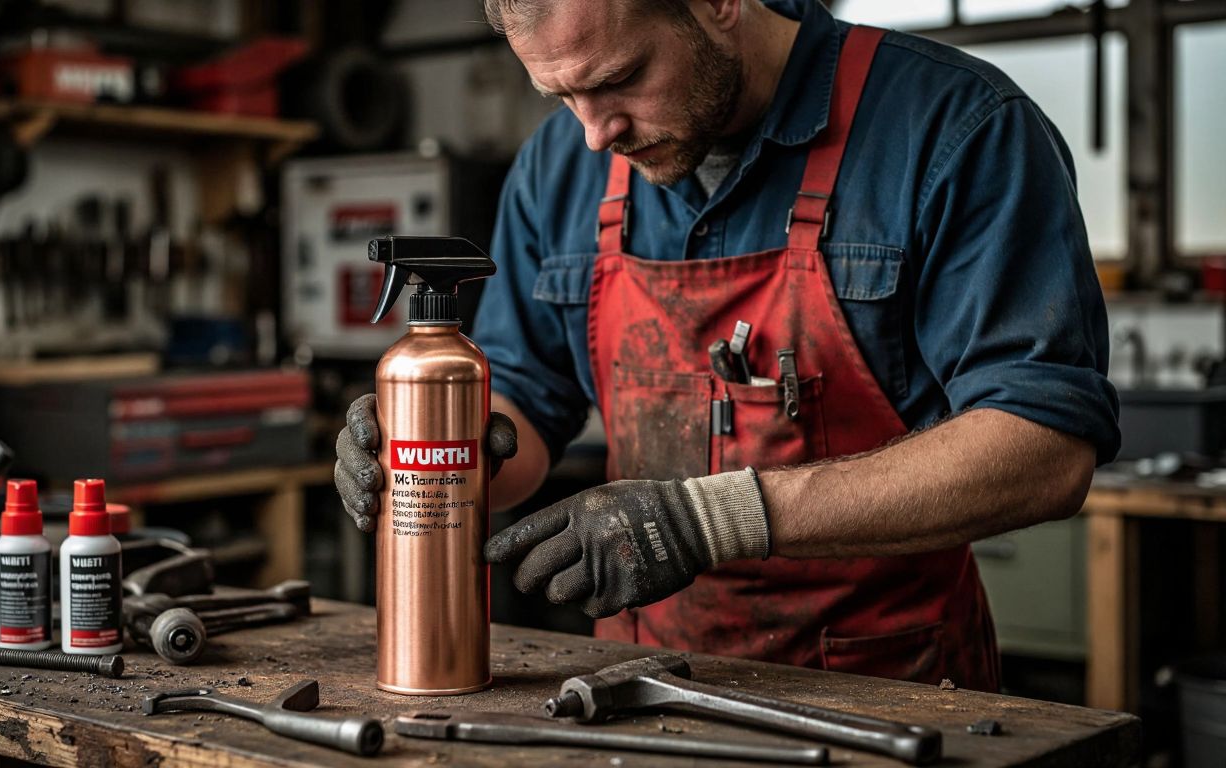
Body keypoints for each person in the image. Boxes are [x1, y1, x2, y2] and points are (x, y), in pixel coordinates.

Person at [335, 0, 1119, 692]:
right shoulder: (558, 170)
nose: (594, 132)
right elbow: (526, 414)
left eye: (620, 76)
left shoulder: (954, 127)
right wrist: (434, 449)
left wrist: (715, 518)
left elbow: (1045, 450)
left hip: (889, 692)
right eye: (561, 96)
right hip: (638, 693)